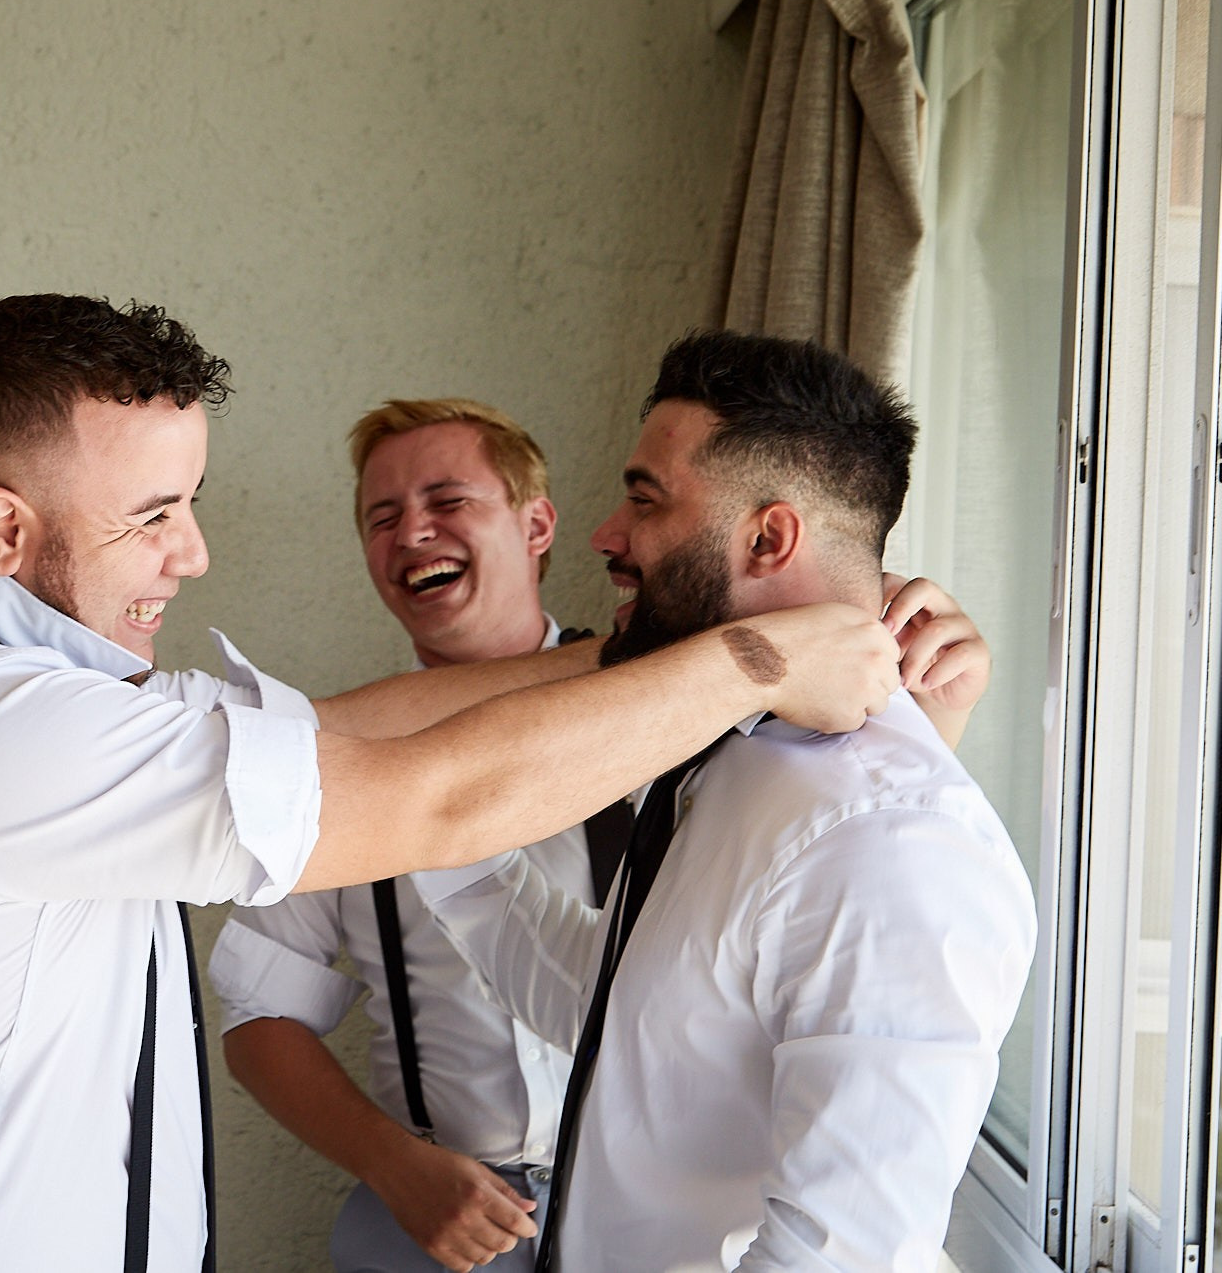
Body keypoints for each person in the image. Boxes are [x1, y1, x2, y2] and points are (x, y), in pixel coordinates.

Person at [0, 295, 902, 1273]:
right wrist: (759, 656)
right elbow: (425, 804)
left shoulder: (31, 689)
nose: (192, 554)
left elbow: (341, 729)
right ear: (3, 529)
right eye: (153, 516)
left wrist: (646, 638)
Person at [409, 330, 1034, 1272]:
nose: (607, 535)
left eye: (644, 498)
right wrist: (438, 818)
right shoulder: (736, 751)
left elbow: (835, 1253)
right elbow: (619, 1005)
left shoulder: (892, 841)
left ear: (768, 537)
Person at [210, 398, 603, 1272]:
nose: (412, 530)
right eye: (381, 517)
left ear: (536, 523)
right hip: (436, 1232)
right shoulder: (339, 765)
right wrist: (396, 1168)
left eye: (448, 500)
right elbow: (258, 1010)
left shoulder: (659, 708)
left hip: (658, 1208)